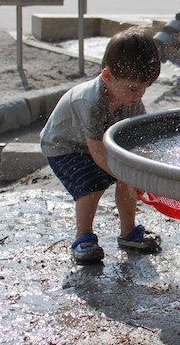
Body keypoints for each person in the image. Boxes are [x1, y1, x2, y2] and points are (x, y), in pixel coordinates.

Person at [40, 26, 162, 264]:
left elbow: (141, 138)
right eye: (133, 88)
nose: (139, 95)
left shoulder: (131, 100)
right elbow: (97, 153)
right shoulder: (92, 102)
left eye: (145, 88)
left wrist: (145, 170)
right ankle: (83, 237)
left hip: (95, 145)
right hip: (64, 147)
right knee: (91, 184)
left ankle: (129, 232)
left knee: (128, 176)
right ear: (107, 76)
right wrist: (129, 172)